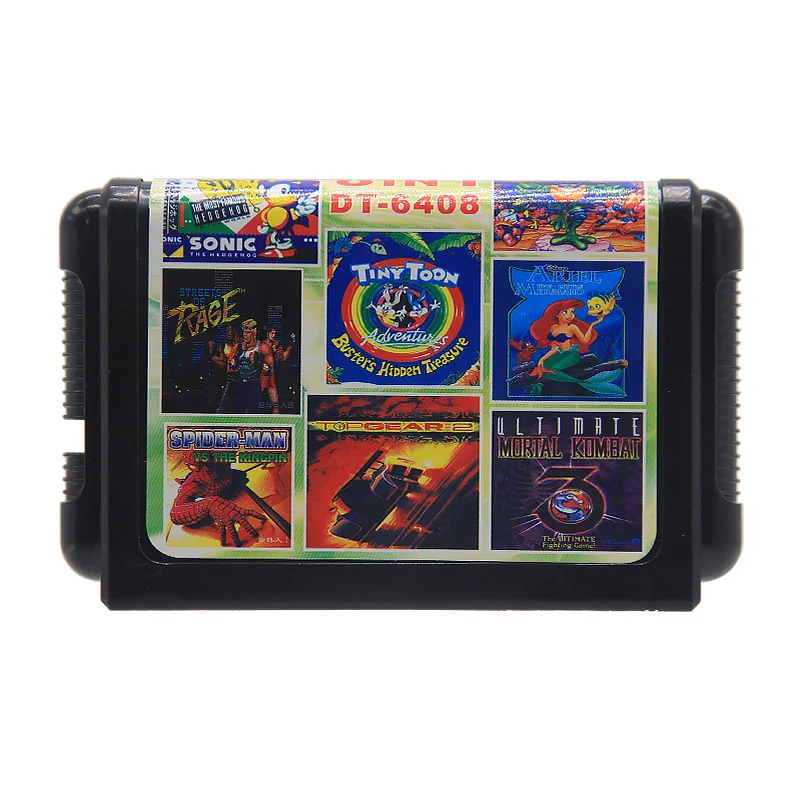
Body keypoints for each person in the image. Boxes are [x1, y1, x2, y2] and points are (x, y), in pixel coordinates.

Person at [261, 326, 296, 414]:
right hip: (261, 374)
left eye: (275, 333)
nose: (273, 335)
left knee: (275, 404)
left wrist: (290, 346)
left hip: (272, 375)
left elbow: (282, 358)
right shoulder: (261, 345)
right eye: (272, 333)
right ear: (267, 333)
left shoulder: (276, 345)